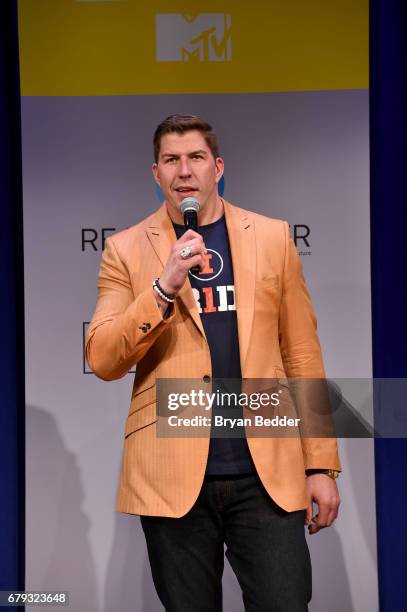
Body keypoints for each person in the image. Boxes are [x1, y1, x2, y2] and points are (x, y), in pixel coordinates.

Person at [86, 114, 341, 611]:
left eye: (196, 158)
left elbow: (302, 353)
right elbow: (102, 357)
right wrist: (164, 285)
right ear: (155, 173)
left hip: (266, 472)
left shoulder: (271, 237)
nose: (185, 171)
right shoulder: (125, 250)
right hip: (172, 475)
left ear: (218, 166)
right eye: (171, 160)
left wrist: (321, 465)